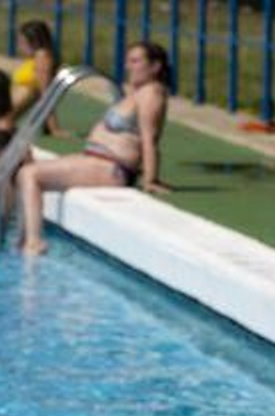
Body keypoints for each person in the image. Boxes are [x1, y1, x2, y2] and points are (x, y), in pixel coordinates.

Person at [17, 41, 170, 256]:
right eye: (128, 61)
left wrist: (150, 180)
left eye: (135, 61)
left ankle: (33, 242)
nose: (128, 67)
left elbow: (149, 137)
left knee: (29, 173)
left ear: (155, 66)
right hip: (95, 161)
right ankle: (23, 237)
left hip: (111, 168)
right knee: (24, 166)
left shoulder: (151, 93)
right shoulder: (137, 93)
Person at [10, 20, 60, 129]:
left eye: (22, 43)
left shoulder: (42, 57)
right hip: (0, 111)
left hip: (1, 114)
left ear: (35, 41)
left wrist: (54, 128)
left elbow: (46, 95)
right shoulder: (36, 58)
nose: (19, 47)